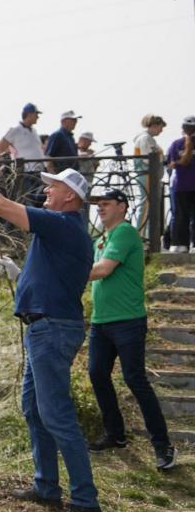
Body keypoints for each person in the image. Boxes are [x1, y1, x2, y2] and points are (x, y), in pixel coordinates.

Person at [0, 153, 100, 511]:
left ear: (70, 196)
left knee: (56, 414)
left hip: (51, 330)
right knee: (34, 409)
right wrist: (18, 275)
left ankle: (86, 500)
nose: (45, 191)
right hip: (47, 327)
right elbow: (56, 279)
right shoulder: (68, 232)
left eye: (52, 187)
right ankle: (47, 487)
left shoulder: (61, 223)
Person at [84, 188, 177, 471]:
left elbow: (101, 270)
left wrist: (63, 272)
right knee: (98, 374)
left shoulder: (124, 232)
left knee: (135, 380)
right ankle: (116, 434)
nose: (100, 208)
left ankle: (163, 446)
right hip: (101, 321)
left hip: (127, 321)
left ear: (122, 207)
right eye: (97, 204)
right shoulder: (101, 238)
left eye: (106, 203)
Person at [0, 103, 46, 207]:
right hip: (25, 173)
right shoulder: (15, 130)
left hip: (38, 172)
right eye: (36, 114)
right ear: (29, 114)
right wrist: (5, 165)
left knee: (39, 201)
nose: (38, 117)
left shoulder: (34, 131)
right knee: (28, 202)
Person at [132, 114, 166, 237]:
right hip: (147, 174)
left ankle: (145, 234)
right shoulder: (146, 139)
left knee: (147, 204)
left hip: (148, 174)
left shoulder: (147, 138)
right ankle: (140, 235)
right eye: (160, 127)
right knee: (146, 203)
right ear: (154, 125)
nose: (161, 131)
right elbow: (148, 159)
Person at [165, 116, 195, 253]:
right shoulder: (177, 144)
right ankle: (190, 244)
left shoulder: (176, 144)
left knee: (180, 215)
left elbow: (171, 164)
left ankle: (179, 244)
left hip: (181, 185)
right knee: (184, 216)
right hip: (183, 185)